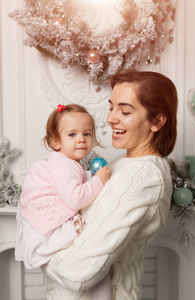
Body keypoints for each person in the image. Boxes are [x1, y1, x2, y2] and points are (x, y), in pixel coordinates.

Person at [42, 70, 178, 300]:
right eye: (111, 107)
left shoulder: (142, 176)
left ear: (157, 121)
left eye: (125, 111)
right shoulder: (122, 165)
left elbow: (79, 272)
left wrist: (38, 251)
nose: (110, 118)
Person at [15, 103, 111, 270]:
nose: (81, 139)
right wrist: (99, 181)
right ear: (57, 142)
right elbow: (75, 199)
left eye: (87, 134)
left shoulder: (66, 162)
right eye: (72, 134)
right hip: (47, 228)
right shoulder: (65, 165)